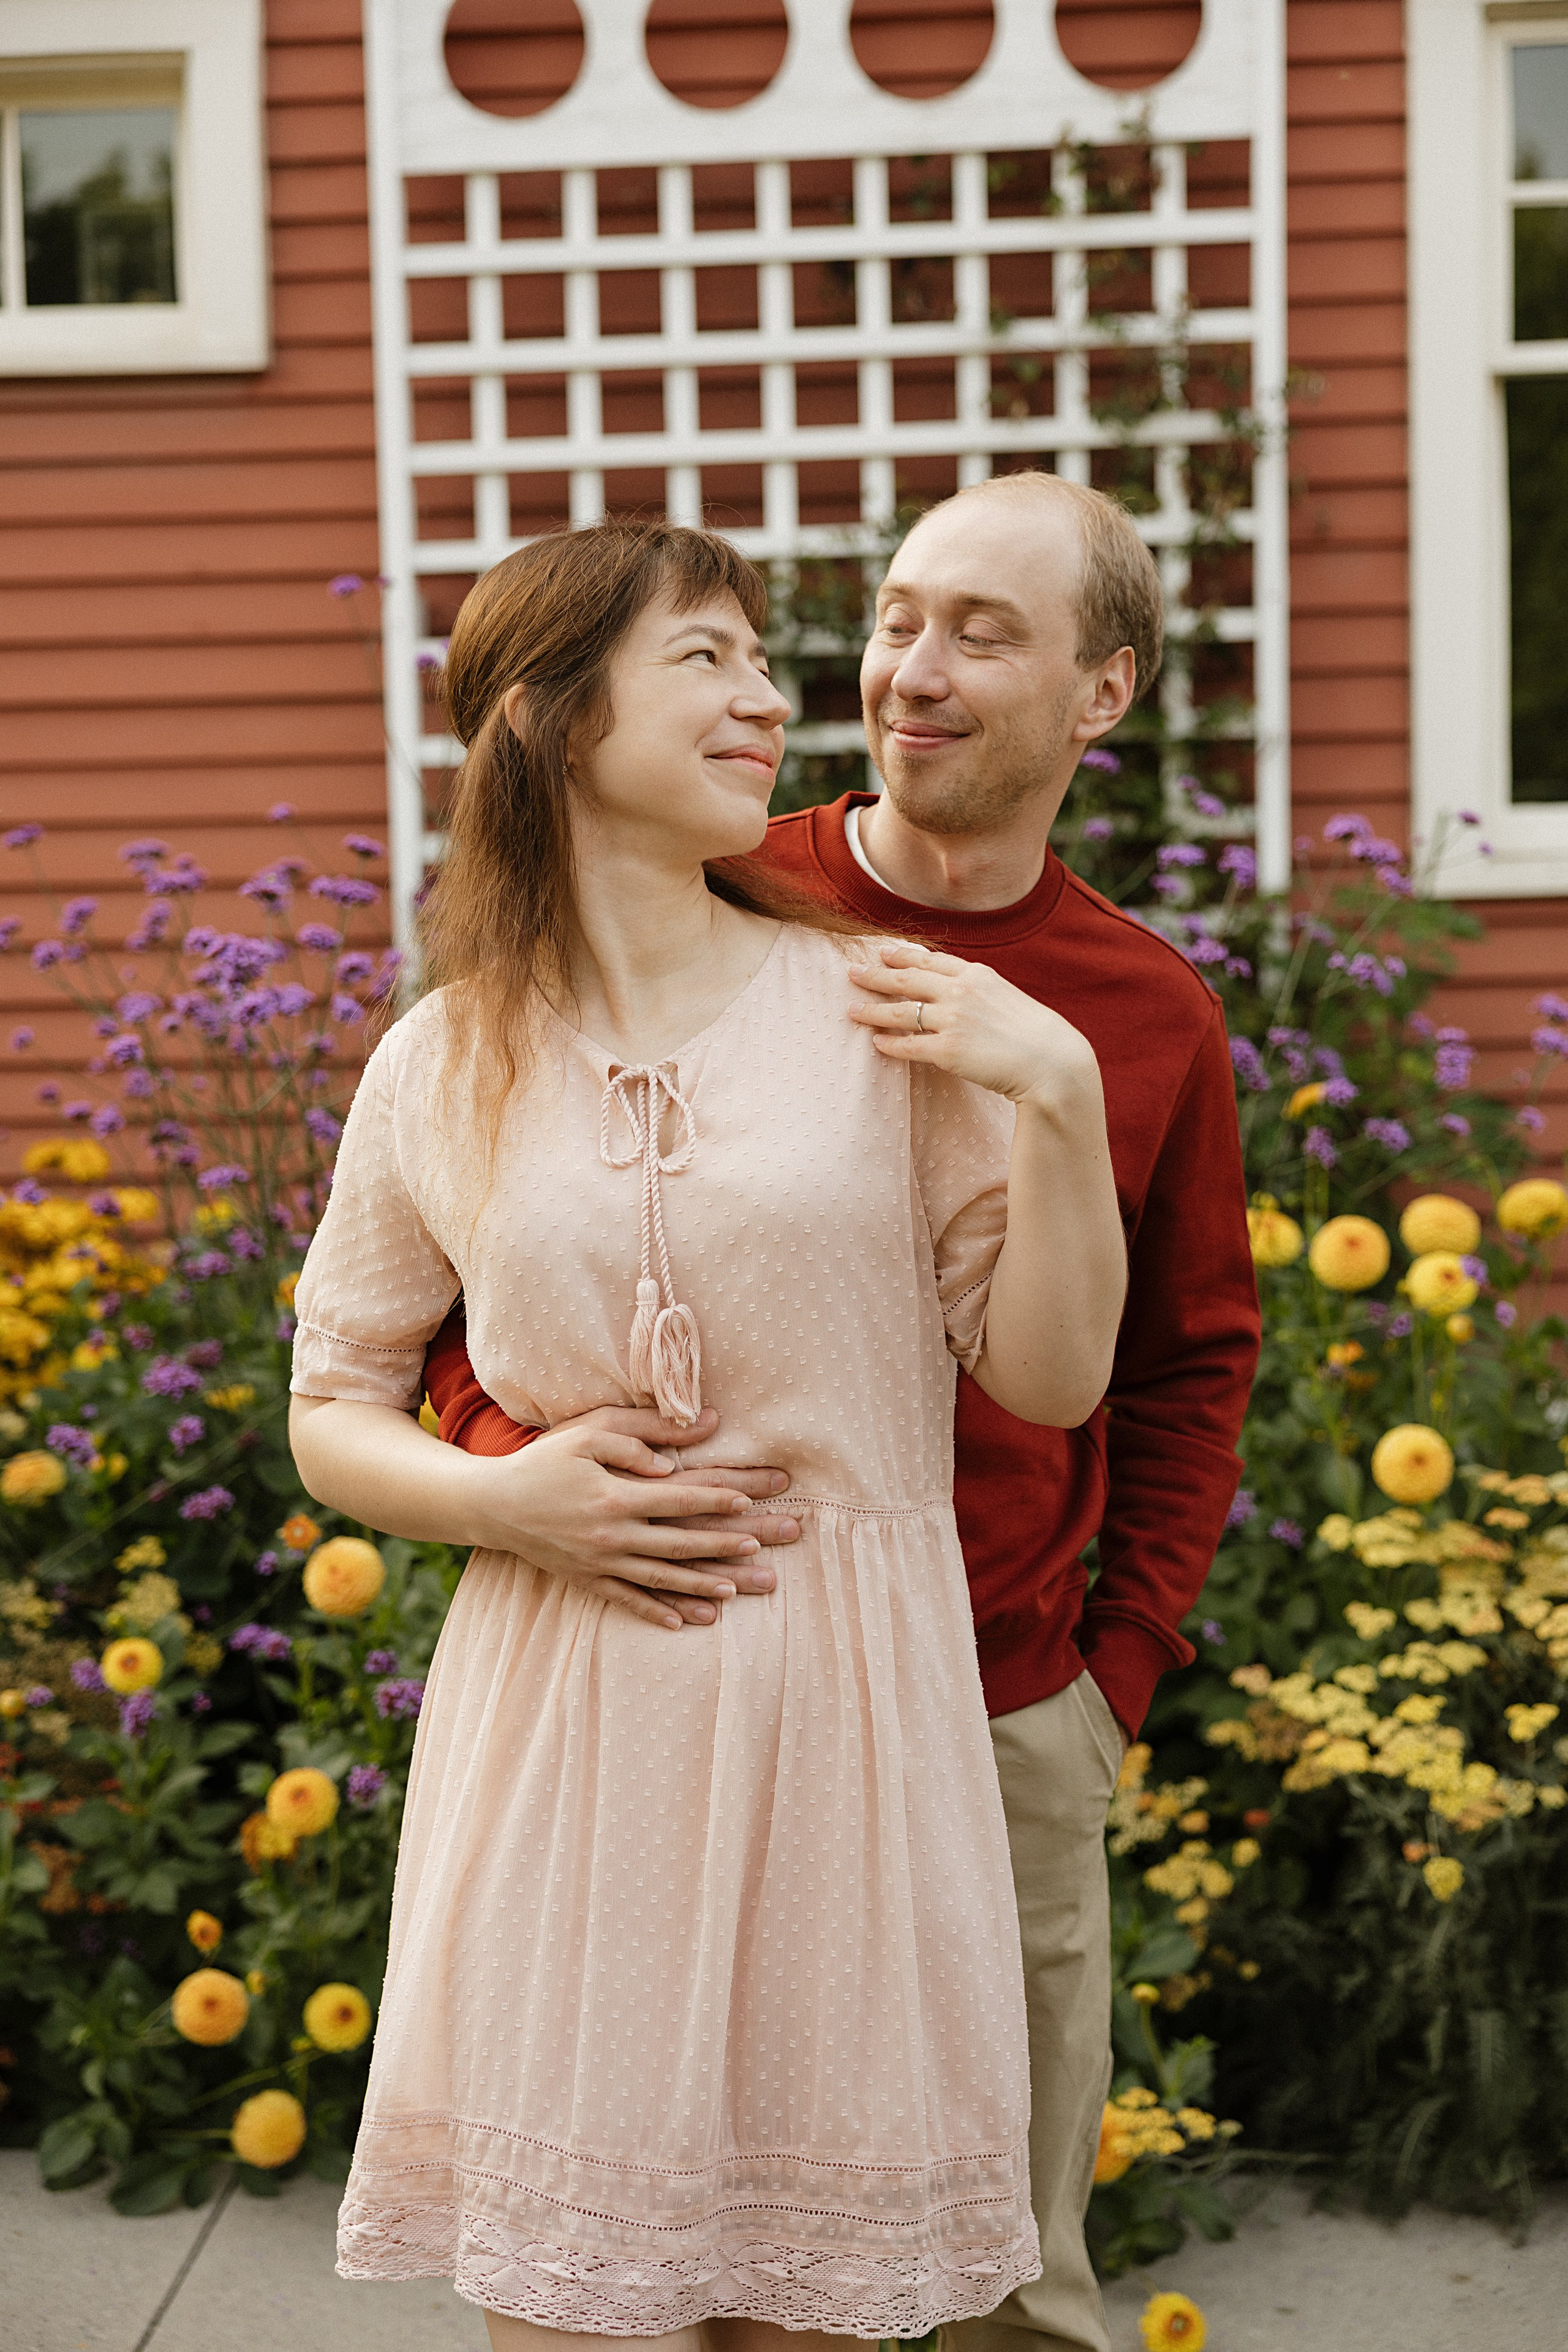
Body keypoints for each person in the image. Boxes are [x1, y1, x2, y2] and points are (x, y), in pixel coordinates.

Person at [423, 473, 1262, 2352]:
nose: (911, 670)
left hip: (996, 1690)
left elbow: (1191, 1365)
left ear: (1101, 693)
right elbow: (505, 1280)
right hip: (696, 1674)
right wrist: (553, 1490)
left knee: (1003, 2285)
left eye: (982, 631)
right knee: (659, 2260)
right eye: (895, 619)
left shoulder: (1142, 1011)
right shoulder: (717, 891)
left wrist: (1111, 1678)